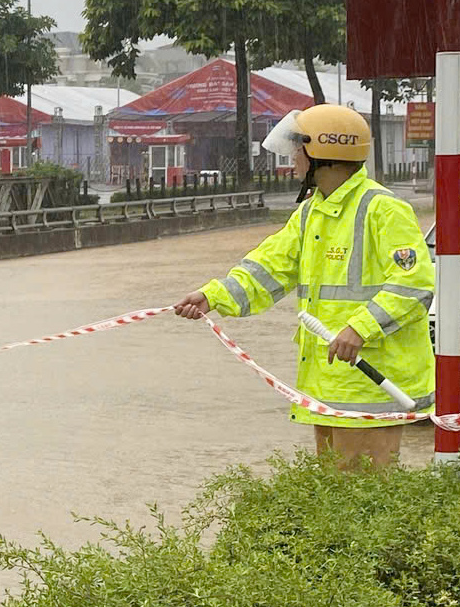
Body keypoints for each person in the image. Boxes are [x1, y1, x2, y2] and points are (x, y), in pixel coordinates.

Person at [174, 104, 436, 470]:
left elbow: (415, 283)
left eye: (299, 149)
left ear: (322, 155)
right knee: (332, 490)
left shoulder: (383, 209)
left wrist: (359, 328)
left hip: (370, 382)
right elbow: (268, 268)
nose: (294, 159)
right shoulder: (312, 211)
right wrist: (213, 296)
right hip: (328, 383)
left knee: (363, 495)